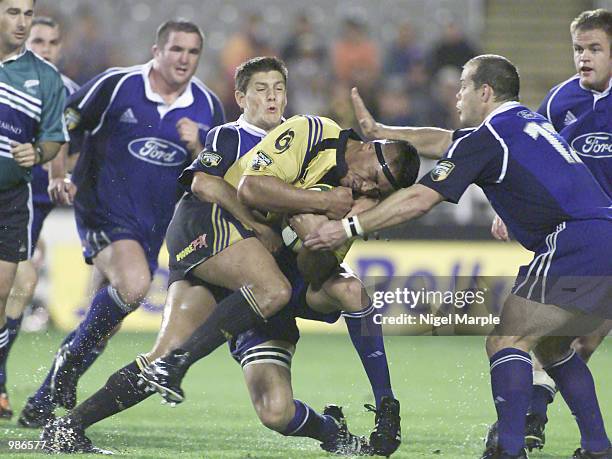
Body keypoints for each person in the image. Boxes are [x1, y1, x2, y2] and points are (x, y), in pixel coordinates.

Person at [42, 56, 408, 456]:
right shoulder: (240, 136)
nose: (272, 97)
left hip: (264, 275)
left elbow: (312, 257)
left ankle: (333, 433)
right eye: (261, 90)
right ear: (241, 97)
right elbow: (204, 184)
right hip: (218, 242)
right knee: (255, 299)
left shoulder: (342, 186)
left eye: (278, 89)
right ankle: (133, 389)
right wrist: (264, 227)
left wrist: (327, 229)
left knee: (277, 411)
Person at [306, 54, 612, 459]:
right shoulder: (525, 123)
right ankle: (597, 448)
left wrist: (349, 228)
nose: (457, 97)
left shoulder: (490, 137)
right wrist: (384, 131)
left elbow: (420, 198)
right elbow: (447, 141)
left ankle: (509, 449)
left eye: (463, 87)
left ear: (484, 92)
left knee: (506, 341)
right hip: (602, 237)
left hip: (577, 242)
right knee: (552, 348)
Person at [18, 19, 225, 425]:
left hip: (153, 225)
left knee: (105, 323)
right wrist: (58, 174)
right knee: (133, 286)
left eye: (192, 52)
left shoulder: (207, 106)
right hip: (103, 208)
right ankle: (66, 369)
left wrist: (199, 145)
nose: (184, 59)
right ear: (157, 51)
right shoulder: (117, 85)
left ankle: (42, 401)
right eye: (176, 49)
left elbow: (215, 173)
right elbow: (60, 124)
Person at [488, 9, 612, 451]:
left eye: (595, 48)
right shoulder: (561, 100)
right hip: (577, 240)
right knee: (567, 339)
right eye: (578, 48)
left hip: (602, 240)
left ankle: (528, 419)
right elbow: (530, 152)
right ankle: (541, 420)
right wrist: (511, 205)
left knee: (575, 337)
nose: (584, 57)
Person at [0, 15, 79, 420]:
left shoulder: (68, 94)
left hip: (27, 207)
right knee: (22, 280)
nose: (45, 47)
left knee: (20, 282)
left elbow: (74, 146)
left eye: (52, 41)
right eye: (38, 40)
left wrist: (63, 175)